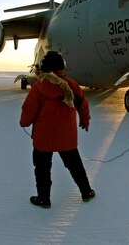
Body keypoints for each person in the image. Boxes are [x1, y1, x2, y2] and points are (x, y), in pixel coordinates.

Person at [20, 51, 95, 208]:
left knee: (42, 169)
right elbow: (83, 105)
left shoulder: (39, 88)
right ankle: (86, 191)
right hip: (67, 138)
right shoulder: (72, 86)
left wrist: (24, 122)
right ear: (62, 67)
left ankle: (43, 199)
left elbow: (28, 111)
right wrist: (84, 121)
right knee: (75, 166)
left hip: (43, 139)